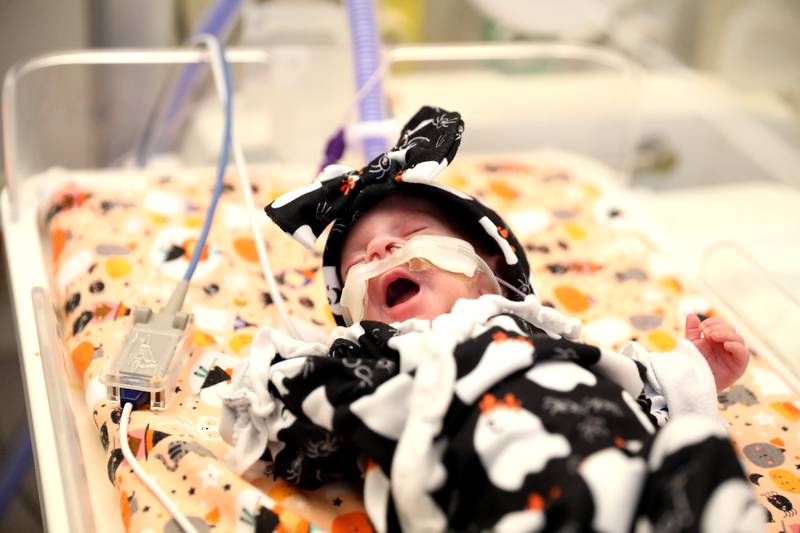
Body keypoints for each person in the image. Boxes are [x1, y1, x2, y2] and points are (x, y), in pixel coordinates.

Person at [221, 106, 763, 532]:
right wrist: (274, 381)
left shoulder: (550, 334)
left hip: (651, 485)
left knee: (702, 456)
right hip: (511, 505)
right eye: (359, 261)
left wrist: (695, 373)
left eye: (411, 235)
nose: (382, 248)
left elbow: (633, 390)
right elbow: (303, 420)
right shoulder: (381, 360)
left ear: (493, 268)